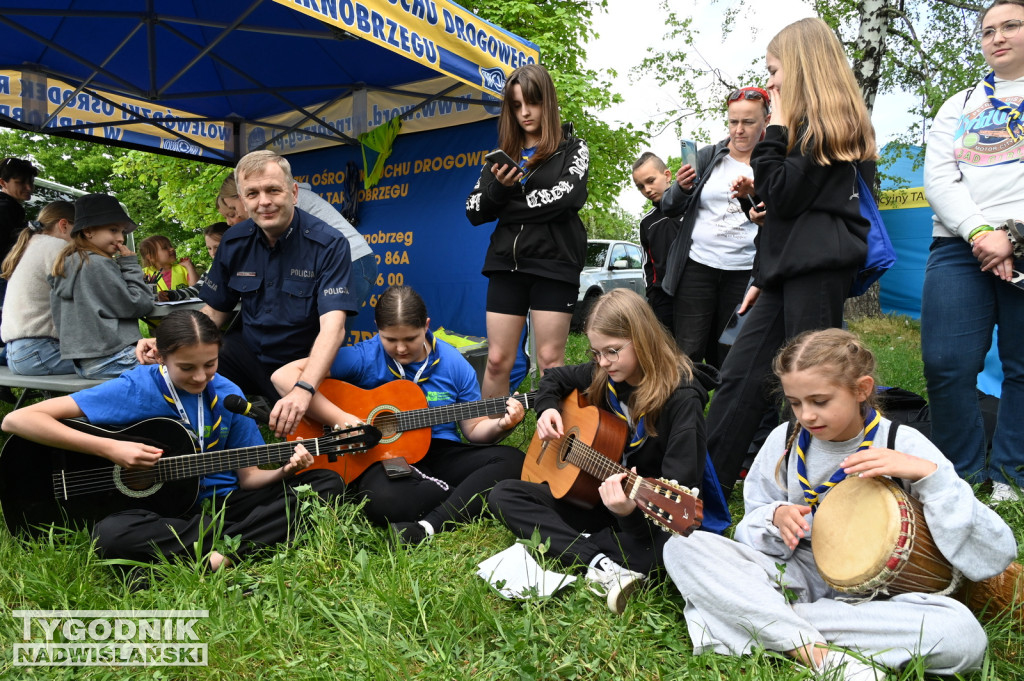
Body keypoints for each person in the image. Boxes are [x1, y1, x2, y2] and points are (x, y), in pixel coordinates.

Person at [664, 328, 1017, 680]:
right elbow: (751, 526)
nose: (807, 416)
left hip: (881, 599)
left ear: (862, 389)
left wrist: (932, 477)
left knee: (962, 637)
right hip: (797, 573)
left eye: (820, 401)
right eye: (795, 403)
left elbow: (994, 553)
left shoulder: (901, 443)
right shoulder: (785, 440)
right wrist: (775, 516)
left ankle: (756, 617)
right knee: (683, 546)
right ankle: (815, 654)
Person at [1, 309, 343, 571]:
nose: (199, 376)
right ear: (161, 358)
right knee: (111, 534)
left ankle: (211, 554)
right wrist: (111, 447)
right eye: (186, 367)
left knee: (324, 483)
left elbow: (249, 477)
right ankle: (236, 542)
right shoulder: (136, 387)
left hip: (222, 503)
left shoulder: (228, 394)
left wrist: (285, 471)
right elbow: (17, 419)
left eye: (210, 364)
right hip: (150, 509)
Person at [704, 18, 878, 498]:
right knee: (739, 377)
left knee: (812, 384)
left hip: (818, 271)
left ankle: (816, 492)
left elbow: (780, 195)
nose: (770, 82)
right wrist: (766, 272)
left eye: (775, 70)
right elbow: (785, 214)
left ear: (802, 67)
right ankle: (700, 488)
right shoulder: (803, 128)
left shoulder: (828, 124)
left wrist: (774, 129)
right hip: (785, 270)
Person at [488, 289, 720, 615]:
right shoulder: (604, 373)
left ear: (644, 339)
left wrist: (628, 513)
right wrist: (547, 409)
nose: (603, 362)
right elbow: (553, 378)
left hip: (648, 513)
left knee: (664, 556)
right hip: (597, 499)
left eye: (612, 351)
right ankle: (598, 561)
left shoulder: (682, 400)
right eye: (596, 352)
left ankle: (584, 548)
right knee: (504, 495)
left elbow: (679, 499)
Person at [271, 285, 525, 545]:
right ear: (376, 329)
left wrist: (501, 426)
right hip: (383, 456)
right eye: (390, 340)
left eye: (411, 339)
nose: (401, 348)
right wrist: (339, 418)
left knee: (514, 460)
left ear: (426, 325)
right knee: (385, 501)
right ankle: (472, 495)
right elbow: (282, 376)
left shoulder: (453, 363)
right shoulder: (365, 356)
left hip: (439, 450)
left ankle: (427, 526)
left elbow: (474, 430)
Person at [139, 150, 356, 428]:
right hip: (248, 353)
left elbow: (333, 328)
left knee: (321, 445)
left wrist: (303, 388)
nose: (264, 202)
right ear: (242, 200)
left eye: (273, 190)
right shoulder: (232, 241)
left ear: (293, 192)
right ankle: (191, 440)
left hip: (299, 360)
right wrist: (168, 344)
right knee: (174, 371)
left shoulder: (329, 244)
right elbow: (215, 312)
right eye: (252, 194)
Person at [922, 0, 1024, 502]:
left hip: (1022, 240)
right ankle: (958, 474)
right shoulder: (958, 103)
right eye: (988, 30)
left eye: (1011, 26)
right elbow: (939, 177)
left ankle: (1011, 478)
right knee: (945, 362)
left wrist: (1015, 235)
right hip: (960, 244)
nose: (997, 37)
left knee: (1023, 365)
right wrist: (981, 231)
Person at [466, 63, 589, 399]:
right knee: (495, 360)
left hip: (555, 265)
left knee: (550, 361)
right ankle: (487, 439)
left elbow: (566, 199)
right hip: (506, 265)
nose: (524, 113)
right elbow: (473, 210)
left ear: (546, 102)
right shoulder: (500, 158)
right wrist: (500, 191)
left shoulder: (573, 148)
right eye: (516, 105)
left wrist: (503, 204)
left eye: (531, 103)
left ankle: (559, 444)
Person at [659, 87, 769, 368]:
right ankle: (687, 411)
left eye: (748, 122)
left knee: (732, 356)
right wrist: (681, 188)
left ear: (766, 122)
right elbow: (669, 207)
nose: (739, 130)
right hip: (698, 269)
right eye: (733, 122)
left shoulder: (773, 164)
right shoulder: (709, 157)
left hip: (745, 273)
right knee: (688, 354)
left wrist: (759, 199)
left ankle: (725, 412)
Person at [217, 173, 376, 330]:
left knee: (327, 334)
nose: (236, 215)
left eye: (233, 210)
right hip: (346, 262)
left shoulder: (282, 203)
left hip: (353, 260)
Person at [49, 193, 154, 379]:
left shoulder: (68, 263)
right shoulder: (96, 264)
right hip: (113, 357)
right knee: (184, 362)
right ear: (89, 231)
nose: (121, 238)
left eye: (122, 232)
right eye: (113, 230)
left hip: (85, 363)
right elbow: (139, 304)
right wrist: (130, 264)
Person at [1, 201, 76, 375]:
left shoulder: (27, 245)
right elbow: (80, 295)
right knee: (114, 361)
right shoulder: (58, 247)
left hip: (13, 352)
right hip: (40, 351)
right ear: (63, 225)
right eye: (79, 232)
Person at [630, 152, 682, 330]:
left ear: (667, 175)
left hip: (694, 289)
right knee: (669, 349)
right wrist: (652, 293)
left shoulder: (691, 209)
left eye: (650, 181)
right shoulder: (647, 222)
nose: (647, 190)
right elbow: (647, 264)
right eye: (640, 186)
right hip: (662, 296)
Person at [156, 222, 230, 302]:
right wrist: (170, 295)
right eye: (209, 248)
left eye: (217, 247)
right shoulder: (213, 267)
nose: (213, 253)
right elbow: (197, 289)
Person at [0, 157, 38, 303]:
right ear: (3, 182)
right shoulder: (5, 209)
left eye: (31, 182)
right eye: (20, 182)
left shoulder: (12, 209)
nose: (29, 188)